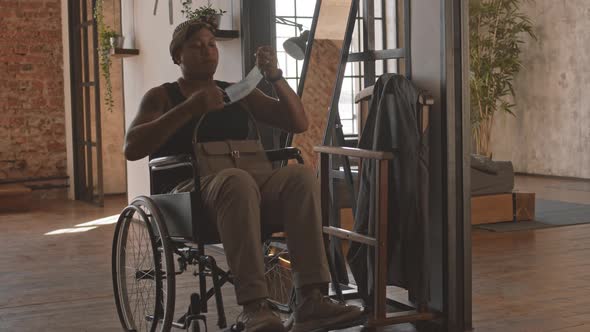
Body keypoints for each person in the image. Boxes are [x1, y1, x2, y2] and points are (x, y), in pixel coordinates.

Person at [124, 18, 363, 332]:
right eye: (195, 46)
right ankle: (254, 307)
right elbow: (132, 147)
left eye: (211, 44)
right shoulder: (162, 96)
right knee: (237, 181)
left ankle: (311, 299)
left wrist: (275, 77)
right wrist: (188, 109)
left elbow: (297, 122)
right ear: (177, 56)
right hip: (191, 189)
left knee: (301, 177)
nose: (207, 51)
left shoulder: (234, 93)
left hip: (246, 181)